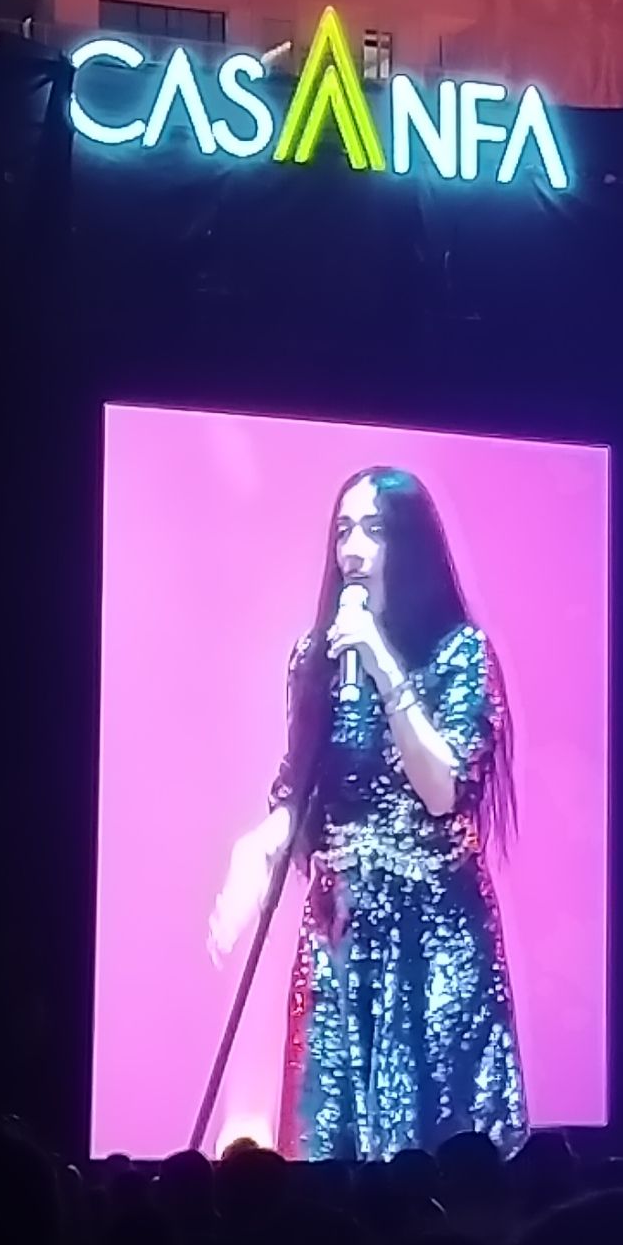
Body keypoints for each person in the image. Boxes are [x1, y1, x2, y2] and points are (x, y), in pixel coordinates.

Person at [210, 467, 527, 1160]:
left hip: (435, 935)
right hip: (342, 933)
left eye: (374, 530)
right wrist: (258, 849)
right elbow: (298, 787)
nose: (352, 548)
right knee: (334, 1142)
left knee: (440, 1139)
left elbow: (444, 790)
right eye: (344, 529)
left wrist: (383, 664)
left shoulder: (460, 655)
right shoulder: (314, 658)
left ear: (409, 544)